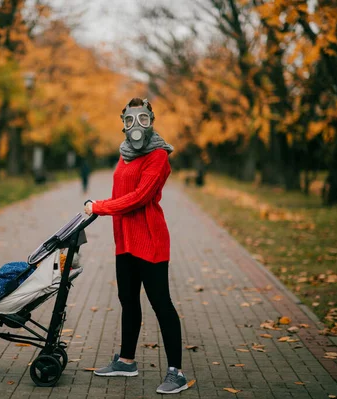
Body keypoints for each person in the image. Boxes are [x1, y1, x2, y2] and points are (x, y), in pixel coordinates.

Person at [84, 98, 188, 394]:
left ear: (151, 121)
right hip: (125, 242)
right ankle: (127, 361)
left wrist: (99, 207)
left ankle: (176, 372)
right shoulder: (125, 153)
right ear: (123, 123)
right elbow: (121, 190)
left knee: (161, 304)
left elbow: (140, 197)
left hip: (150, 241)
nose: (136, 127)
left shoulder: (158, 156)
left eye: (142, 120)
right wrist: (105, 211)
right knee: (128, 301)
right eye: (130, 121)